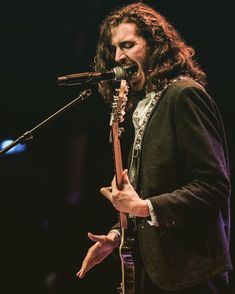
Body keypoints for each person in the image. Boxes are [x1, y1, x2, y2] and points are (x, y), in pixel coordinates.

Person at [77, 2, 233, 293]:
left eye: (128, 45)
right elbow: (153, 189)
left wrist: (142, 207)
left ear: (154, 46)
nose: (118, 57)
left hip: (191, 271)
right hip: (156, 269)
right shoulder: (145, 103)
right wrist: (116, 235)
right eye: (115, 49)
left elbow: (214, 185)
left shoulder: (183, 95)